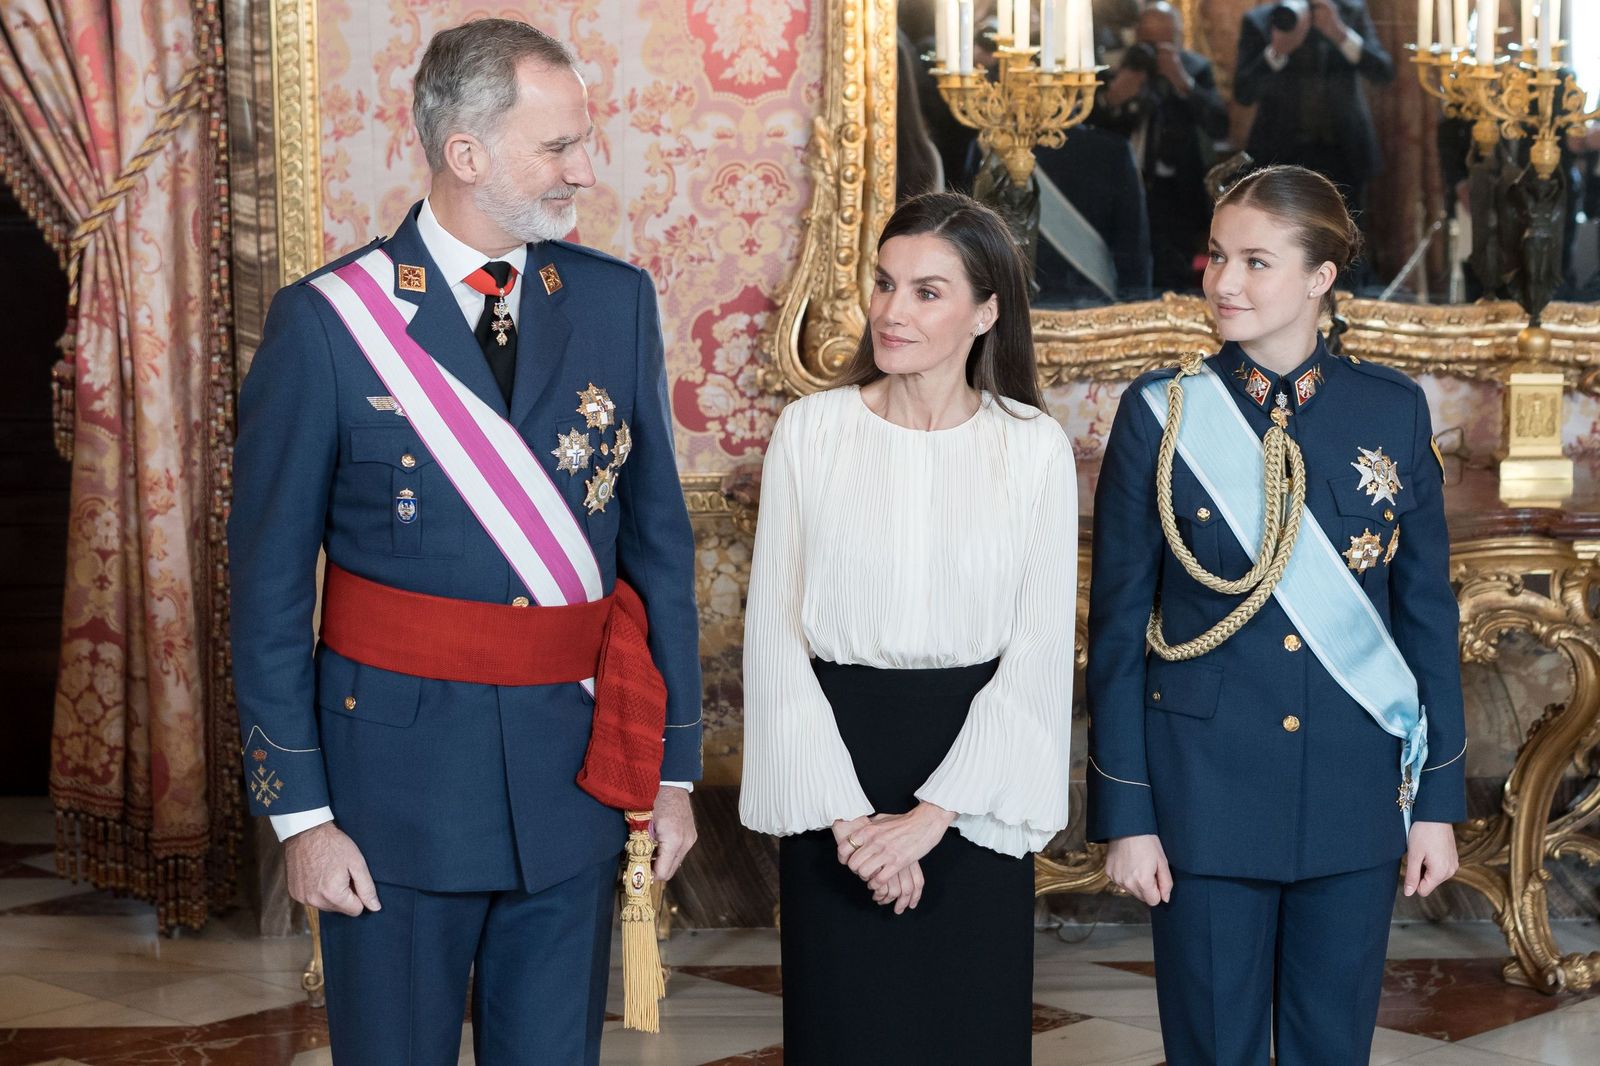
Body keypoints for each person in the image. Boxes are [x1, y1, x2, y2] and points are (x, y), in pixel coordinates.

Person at [229, 19, 701, 1064]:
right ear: (466, 152)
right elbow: (267, 594)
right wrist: (302, 818)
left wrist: (670, 772)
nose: (585, 170)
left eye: (582, 142)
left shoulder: (614, 302)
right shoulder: (327, 324)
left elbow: (659, 553)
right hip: (390, 795)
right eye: (558, 146)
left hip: (573, 783)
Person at [1086, 165, 1465, 1065]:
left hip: (1351, 787)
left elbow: (1425, 621)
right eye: (1218, 255)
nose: (1224, 281)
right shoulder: (1161, 414)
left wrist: (1436, 805)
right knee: (1213, 1049)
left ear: (1321, 276)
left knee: (1332, 1048)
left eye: (1256, 262)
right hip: (1203, 791)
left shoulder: (1391, 410)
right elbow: (1116, 632)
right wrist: (1127, 814)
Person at [739, 191, 1076, 1064]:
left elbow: (1039, 652)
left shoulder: (1034, 446)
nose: (892, 311)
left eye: (928, 292)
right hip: (834, 780)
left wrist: (931, 818)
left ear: (986, 312)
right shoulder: (810, 432)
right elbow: (774, 639)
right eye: (886, 283)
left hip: (976, 788)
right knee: (846, 1031)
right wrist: (854, 826)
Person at [1091, 1, 1229, 293]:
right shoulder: (1119, 67)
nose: (1154, 51)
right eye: (1147, 42)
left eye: (1163, 42)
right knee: (1125, 266)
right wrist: (1113, 98)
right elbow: (1090, 128)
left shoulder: (1195, 68)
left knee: (1174, 273)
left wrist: (1182, 81)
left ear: (1178, 38)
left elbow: (1218, 123)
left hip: (1175, 192)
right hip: (1123, 183)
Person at [1233, 1, 1393, 227]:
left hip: (1344, 153)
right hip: (1280, 156)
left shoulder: (1349, 11)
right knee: (1281, 235)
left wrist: (1340, 34)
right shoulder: (1262, 20)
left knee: (1346, 235)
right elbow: (1244, 93)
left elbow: (1383, 73)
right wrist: (1276, 52)